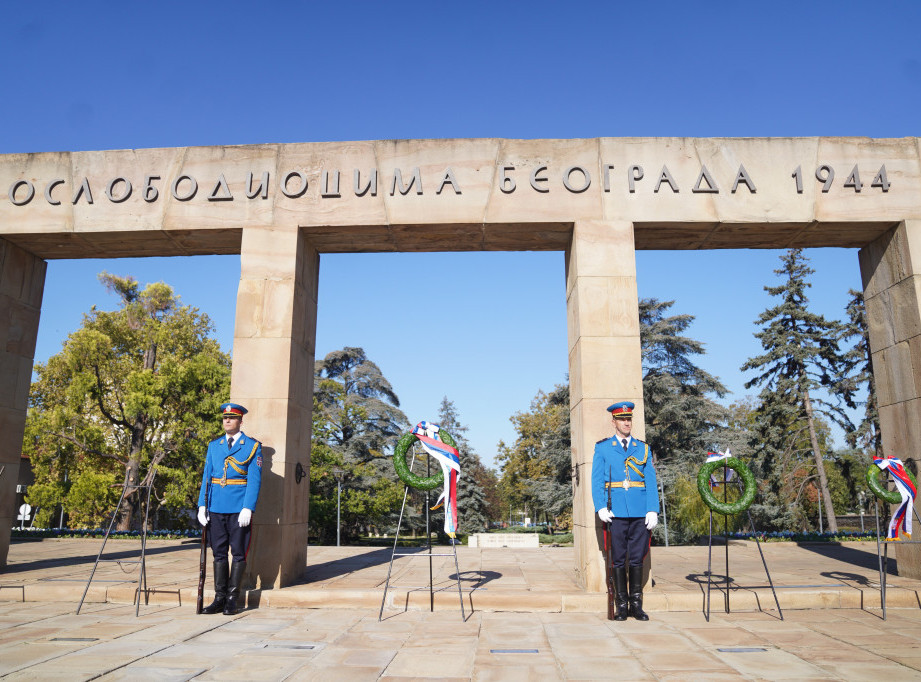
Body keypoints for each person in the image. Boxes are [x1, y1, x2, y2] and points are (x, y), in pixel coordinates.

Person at [591, 401, 659, 621]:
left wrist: (653, 509)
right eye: (622, 420)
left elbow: (650, 481)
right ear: (614, 422)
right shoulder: (603, 448)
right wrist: (601, 506)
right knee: (619, 559)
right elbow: (597, 480)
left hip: (640, 511)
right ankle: (621, 605)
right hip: (616, 512)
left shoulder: (643, 448)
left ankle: (636, 605)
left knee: (637, 558)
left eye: (628, 419)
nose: (626, 423)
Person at [197, 402, 262, 615]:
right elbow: (207, 477)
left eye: (232, 418)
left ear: (240, 421)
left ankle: (232, 599)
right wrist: (202, 505)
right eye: (225, 418)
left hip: (238, 508)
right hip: (216, 506)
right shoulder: (214, 446)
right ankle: (219, 598)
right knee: (219, 553)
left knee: (239, 553)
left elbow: (254, 481)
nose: (227, 420)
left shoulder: (252, 446)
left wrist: (248, 507)